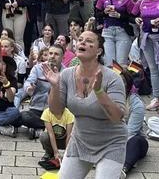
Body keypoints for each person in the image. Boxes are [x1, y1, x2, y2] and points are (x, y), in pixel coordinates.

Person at [43, 31, 127, 178]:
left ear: (99, 51)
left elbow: (117, 117)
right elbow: (56, 111)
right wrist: (55, 87)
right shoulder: (66, 74)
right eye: (80, 40)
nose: (82, 43)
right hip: (80, 140)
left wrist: (99, 91)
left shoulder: (112, 78)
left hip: (111, 143)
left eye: (89, 41)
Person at [130, 0, 159, 116]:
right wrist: (136, 19)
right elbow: (130, 15)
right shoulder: (141, 2)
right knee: (152, 69)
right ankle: (157, 98)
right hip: (147, 39)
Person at [19, 45, 64, 138]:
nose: (52, 56)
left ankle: (37, 130)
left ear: (62, 57)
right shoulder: (38, 68)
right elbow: (28, 82)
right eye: (50, 53)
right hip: (37, 109)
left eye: (56, 54)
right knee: (22, 116)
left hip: (55, 111)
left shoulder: (66, 72)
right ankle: (46, 129)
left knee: (66, 120)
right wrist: (29, 88)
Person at [95, 0, 134, 66]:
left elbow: (132, 17)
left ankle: (122, 80)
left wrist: (119, 15)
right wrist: (104, 12)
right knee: (109, 63)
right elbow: (97, 14)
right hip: (107, 31)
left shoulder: (127, 0)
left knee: (121, 64)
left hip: (122, 31)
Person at [37, 98, 75, 170]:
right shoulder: (47, 112)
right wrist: (56, 152)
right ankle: (49, 153)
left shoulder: (69, 114)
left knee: (74, 137)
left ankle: (71, 155)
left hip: (65, 140)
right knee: (43, 136)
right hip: (53, 140)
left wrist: (66, 154)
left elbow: (69, 135)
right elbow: (51, 134)